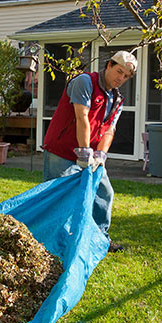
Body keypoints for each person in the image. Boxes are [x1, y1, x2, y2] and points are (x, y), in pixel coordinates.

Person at [42, 50, 137, 253]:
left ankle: (99, 237)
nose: (121, 78)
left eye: (126, 76)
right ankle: (52, 241)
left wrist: (100, 155)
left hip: (91, 154)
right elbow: (81, 117)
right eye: (119, 71)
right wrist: (84, 151)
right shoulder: (85, 82)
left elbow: (110, 129)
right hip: (62, 150)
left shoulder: (117, 98)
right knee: (57, 196)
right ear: (108, 65)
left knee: (104, 193)